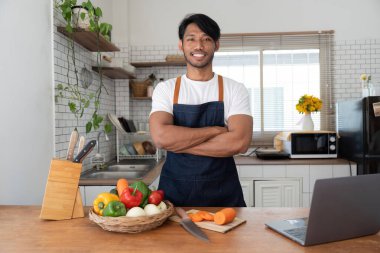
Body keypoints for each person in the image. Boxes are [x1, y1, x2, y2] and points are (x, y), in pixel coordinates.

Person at [149, 13, 253, 207]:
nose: (199, 46)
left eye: (206, 39)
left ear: (216, 45)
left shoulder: (234, 89)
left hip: (224, 196)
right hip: (175, 197)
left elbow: (240, 142)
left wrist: (178, 143)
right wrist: (214, 131)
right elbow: (161, 138)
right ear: (181, 44)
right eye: (192, 39)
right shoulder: (166, 89)